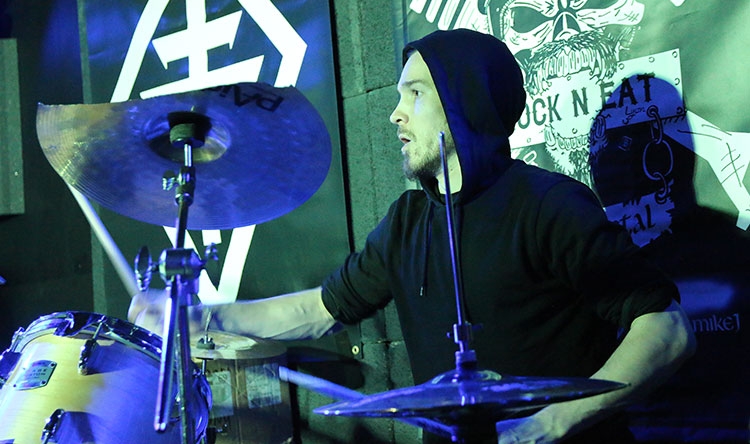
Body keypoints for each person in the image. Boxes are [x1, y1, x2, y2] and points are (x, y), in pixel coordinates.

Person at [130, 29, 696, 444]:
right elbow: (321, 309)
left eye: (416, 94)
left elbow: (666, 328)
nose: (396, 115)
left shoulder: (549, 206)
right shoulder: (407, 221)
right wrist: (198, 319)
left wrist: (551, 423)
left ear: (465, 103)